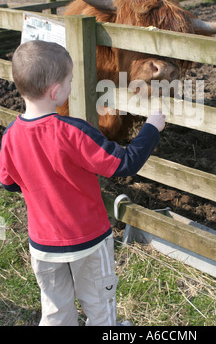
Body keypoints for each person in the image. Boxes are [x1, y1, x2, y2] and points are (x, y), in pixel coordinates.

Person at [0, 40, 165, 326]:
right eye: (70, 80)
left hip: (42, 244)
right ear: (56, 91)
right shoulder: (73, 132)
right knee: (100, 306)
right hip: (88, 241)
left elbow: (9, 182)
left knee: (55, 310)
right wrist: (152, 128)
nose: (71, 85)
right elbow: (124, 164)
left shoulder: (10, 137)